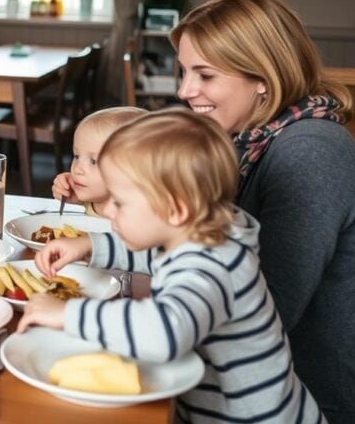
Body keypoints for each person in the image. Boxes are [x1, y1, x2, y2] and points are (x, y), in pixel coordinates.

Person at [22, 110, 324, 422]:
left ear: (176, 210)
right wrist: (91, 245)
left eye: (120, 203)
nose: (109, 211)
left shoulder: (213, 266)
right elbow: (154, 256)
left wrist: (68, 314)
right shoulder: (203, 239)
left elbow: (164, 331)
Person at [170, 0, 355, 424]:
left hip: (292, 402)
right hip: (234, 385)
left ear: (262, 77)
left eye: (205, 75)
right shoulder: (248, 140)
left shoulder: (310, 152)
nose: (185, 90)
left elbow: (266, 308)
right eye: (184, 71)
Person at [51, 106, 147, 216]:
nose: (77, 169)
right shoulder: (98, 198)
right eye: (77, 156)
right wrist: (77, 198)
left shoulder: (140, 215)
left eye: (93, 161)